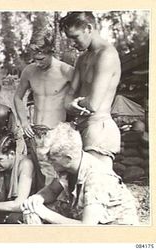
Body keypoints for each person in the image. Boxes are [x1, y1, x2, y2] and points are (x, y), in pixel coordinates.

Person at [21, 122, 139, 225]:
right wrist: (38, 198)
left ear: (68, 159)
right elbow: (52, 190)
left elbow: (87, 227)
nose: (48, 162)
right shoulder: (67, 168)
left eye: (52, 159)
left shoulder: (97, 178)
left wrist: (45, 213)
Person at [60, 12, 121, 168]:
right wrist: (70, 104)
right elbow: (69, 96)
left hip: (99, 130)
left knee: (98, 186)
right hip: (81, 129)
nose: (72, 43)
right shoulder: (82, 58)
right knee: (78, 188)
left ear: (88, 28)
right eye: (69, 38)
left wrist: (72, 104)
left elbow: (93, 103)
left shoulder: (106, 55)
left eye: (75, 37)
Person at [14, 33, 74, 187]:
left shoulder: (66, 71)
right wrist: (24, 123)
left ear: (51, 51)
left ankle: (58, 209)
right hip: (35, 132)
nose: (38, 63)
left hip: (56, 132)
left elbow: (80, 98)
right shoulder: (29, 71)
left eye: (41, 59)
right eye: (34, 59)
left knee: (56, 178)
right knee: (38, 176)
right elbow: (18, 98)